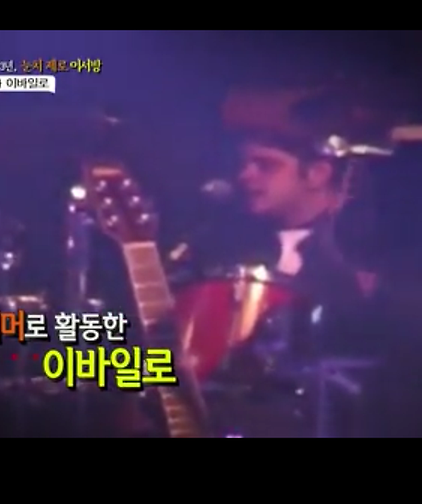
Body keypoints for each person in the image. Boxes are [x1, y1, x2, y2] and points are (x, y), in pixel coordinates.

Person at [167, 82, 394, 437]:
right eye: (245, 163)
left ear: (317, 173)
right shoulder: (218, 246)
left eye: (265, 165)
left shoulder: (366, 254)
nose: (245, 175)